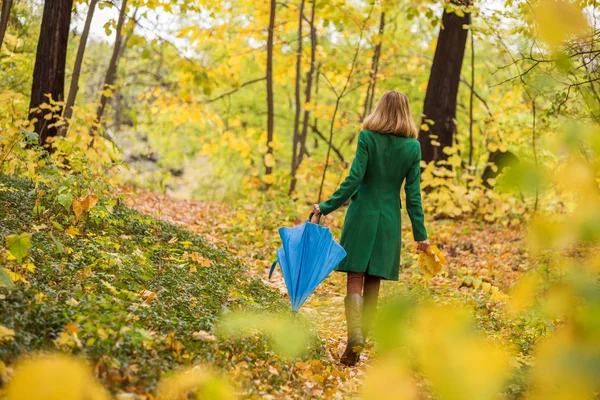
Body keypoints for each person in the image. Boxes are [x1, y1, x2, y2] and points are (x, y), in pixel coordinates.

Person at [312, 90, 430, 366]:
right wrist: (420, 234)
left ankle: (354, 336)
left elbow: (354, 179)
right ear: (405, 112)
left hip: (362, 213)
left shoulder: (367, 137)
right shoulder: (412, 147)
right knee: (374, 281)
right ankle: (358, 342)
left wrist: (325, 206)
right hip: (389, 219)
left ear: (380, 109)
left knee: (355, 276)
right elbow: (413, 195)